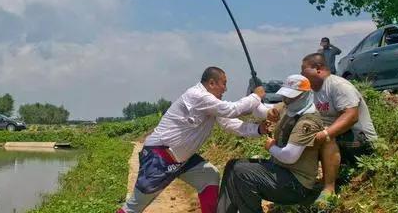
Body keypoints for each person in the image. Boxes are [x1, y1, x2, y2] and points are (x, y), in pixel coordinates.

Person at [116, 67, 267, 213]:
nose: (225, 89)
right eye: (224, 83)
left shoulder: (212, 104)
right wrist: (256, 96)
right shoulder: (197, 95)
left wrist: (258, 130)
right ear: (212, 83)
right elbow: (231, 109)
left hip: (183, 160)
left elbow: (230, 124)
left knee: (209, 175)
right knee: (134, 206)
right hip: (160, 157)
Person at [217, 74, 323, 213]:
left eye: (291, 97)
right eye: (286, 96)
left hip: (296, 185)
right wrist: (257, 98)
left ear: (306, 95)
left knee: (241, 173)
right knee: (233, 165)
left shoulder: (307, 121)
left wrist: (271, 147)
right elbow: (262, 111)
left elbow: (290, 156)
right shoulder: (289, 107)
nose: (286, 100)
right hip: (281, 171)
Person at [300, 53, 377, 202]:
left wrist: (325, 134)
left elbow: (351, 116)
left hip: (360, 141)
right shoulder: (313, 92)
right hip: (341, 141)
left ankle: (329, 189)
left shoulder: (337, 85)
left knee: (326, 136)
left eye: (303, 70)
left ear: (318, 69)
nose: (301, 75)